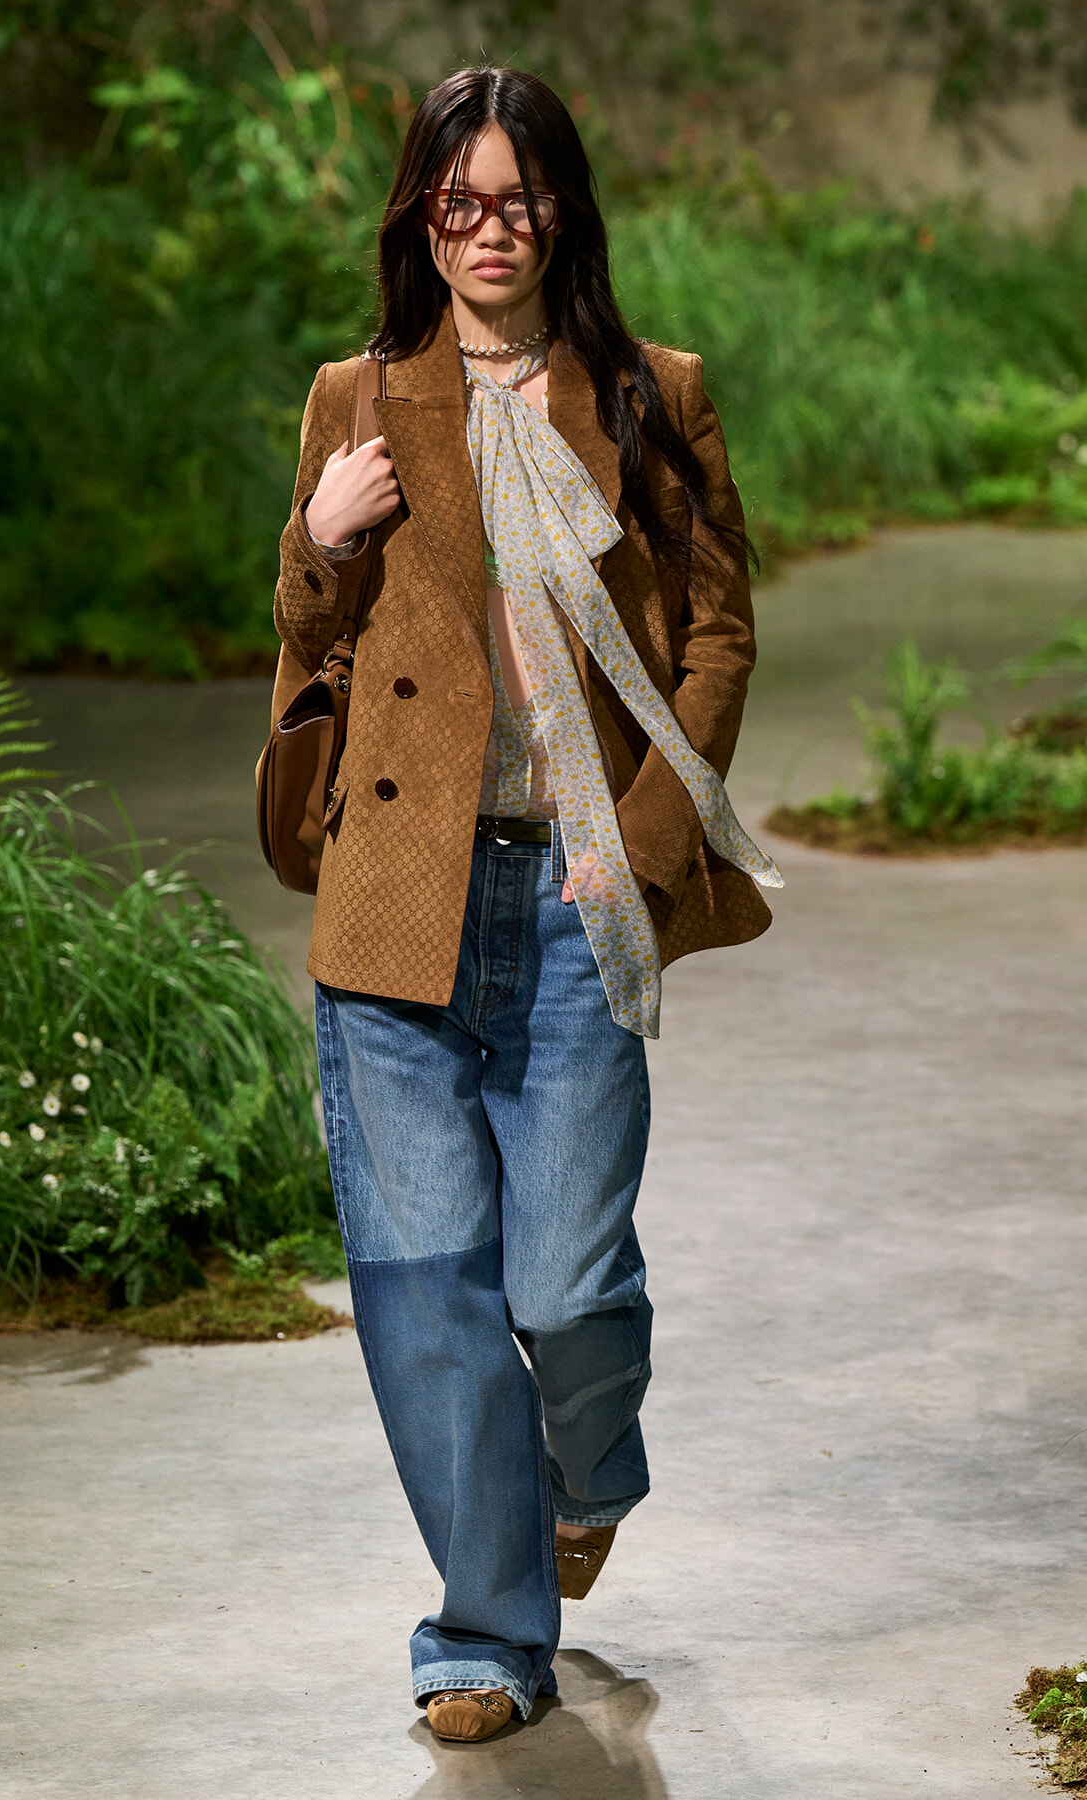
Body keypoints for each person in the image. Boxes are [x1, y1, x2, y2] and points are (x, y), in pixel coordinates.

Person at [267, 64, 782, 1743]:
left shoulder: (647, 391)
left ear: (565, 207)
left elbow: (716, 627)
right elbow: (306, 638)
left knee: (563, 1288)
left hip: (576, 900)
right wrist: (323, 534)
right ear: (422, 214)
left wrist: (636, 836)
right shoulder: (357, 394)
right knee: (424, 1288)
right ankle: (486, 1636)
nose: (491, 231)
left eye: (521, 199)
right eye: (457, 201)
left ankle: (594, 1460)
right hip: (396, 895)